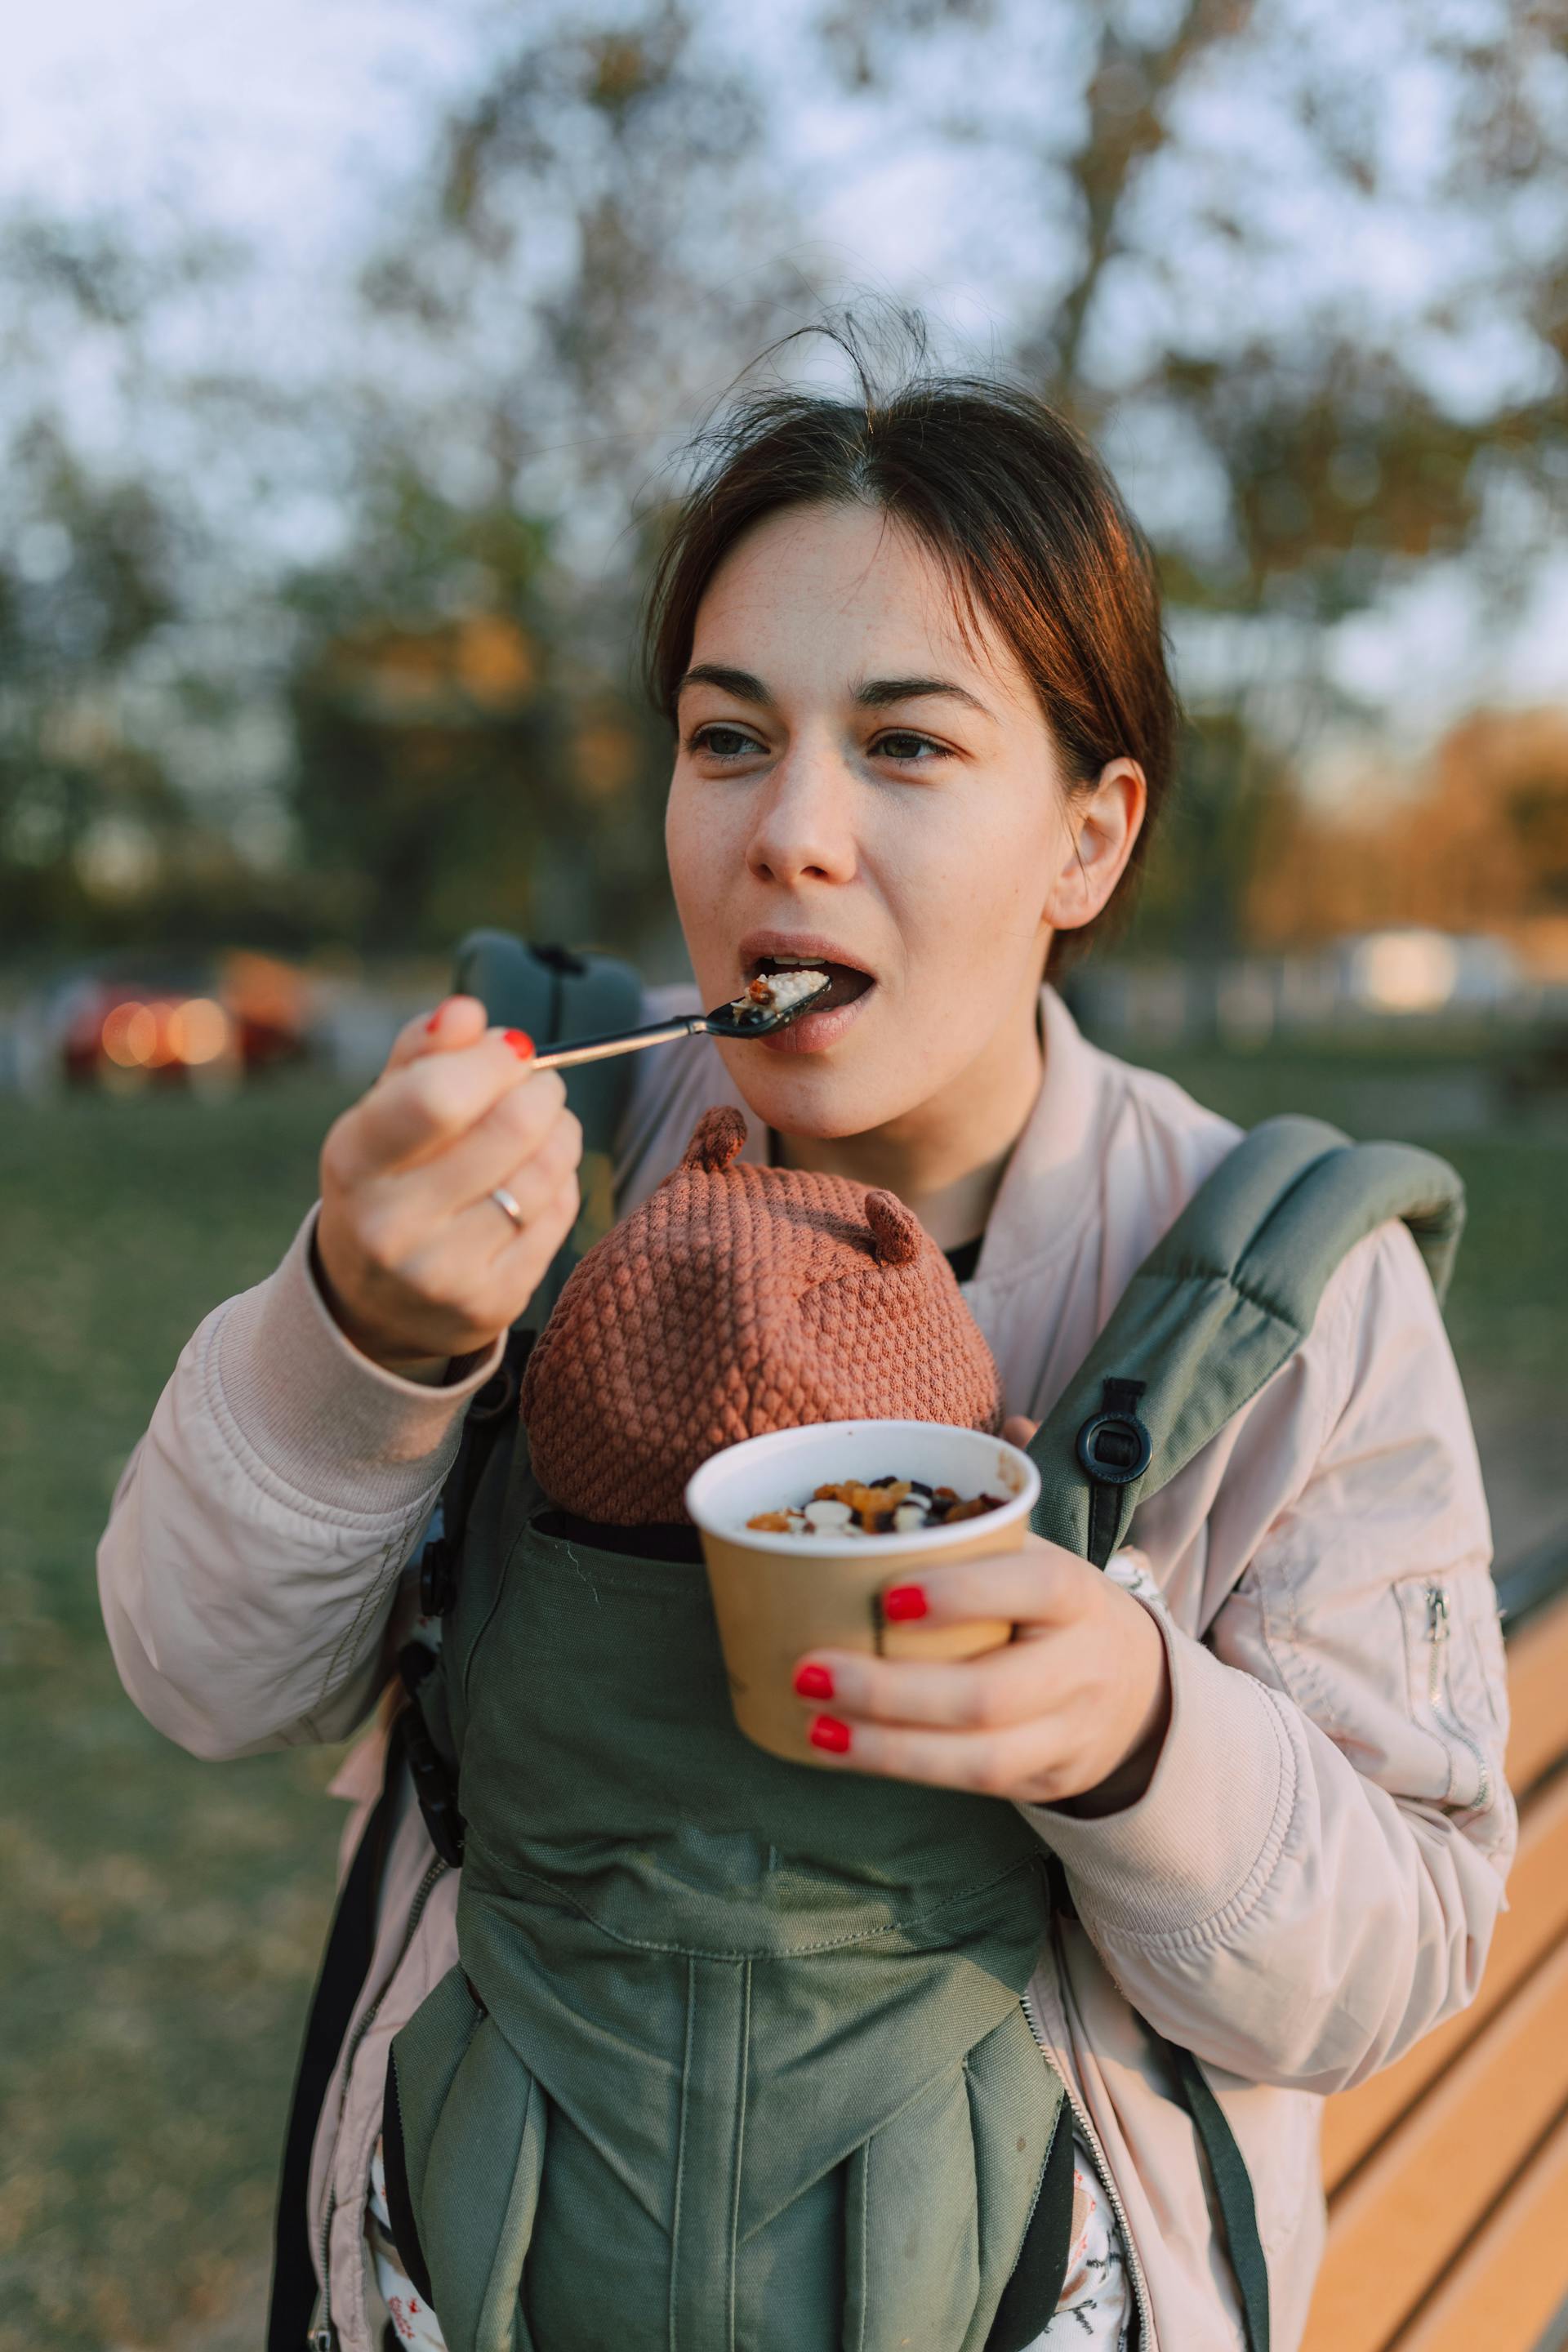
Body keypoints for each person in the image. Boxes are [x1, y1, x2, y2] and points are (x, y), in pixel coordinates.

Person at [98, 320, 1514, 2352]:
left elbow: (1392, 1960)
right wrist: (360, 1341)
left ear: (1089, 839)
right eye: (730, 735)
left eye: (911, 744)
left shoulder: (1292, 1291)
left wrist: (1136, 1726)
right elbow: (199, 1679)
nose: (791, 835)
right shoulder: (531, 1172)